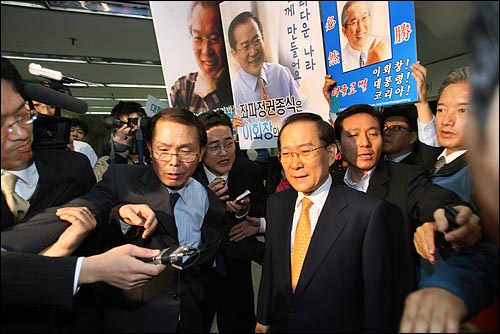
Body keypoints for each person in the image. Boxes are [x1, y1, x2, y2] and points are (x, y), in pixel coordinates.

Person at [6, 108, 234, 333]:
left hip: (190, 319)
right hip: (132, 319)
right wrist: (11, 244)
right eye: (163, 150)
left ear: (201, 152)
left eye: (186, 152)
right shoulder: (122, 180)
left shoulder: (210, 201)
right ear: (149, 148)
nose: (174, 162)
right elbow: (86, 207)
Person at [256, 112, 407, 332]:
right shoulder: (277, 204)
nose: (295, 163)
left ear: (330, 153)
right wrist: (263, 318)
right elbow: (271, 267)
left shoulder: (367, 212)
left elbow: (377, 297)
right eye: (287, 153)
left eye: (306, 151)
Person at [399, 2, 500, 332]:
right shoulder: (433, 162)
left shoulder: (481, 173)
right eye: (441, 109)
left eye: (463, 110)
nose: (447, 119)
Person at [196, 111, 267, 332]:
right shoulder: (188, 177)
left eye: (229, 143)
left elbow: (264, 206)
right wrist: (203, 199)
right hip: (197, 271)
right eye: (214, 147)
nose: (224, 153)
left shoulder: (249, 170)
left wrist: (244, 211)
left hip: (237, 271)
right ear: (199, 151)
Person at [170, 1, 233, 114]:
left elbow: (238, 127)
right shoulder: (183, 88)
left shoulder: (242, 83)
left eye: (214, 39)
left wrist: (210, 96)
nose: (206, 51)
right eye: (198, 38)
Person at [228, 11, 301, 108]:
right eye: (246, 47)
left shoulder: (281, 73)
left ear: (263, 37)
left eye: (256, 41)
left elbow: (301, 111)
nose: (253, 52)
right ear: (235, 54)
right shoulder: (234, 92)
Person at [340, 1, 391, 72]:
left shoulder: (383, 46)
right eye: (354, 22)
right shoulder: (340, 61)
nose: (361, 28)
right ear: (344, 31)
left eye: (364, 18)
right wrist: (371, 64)